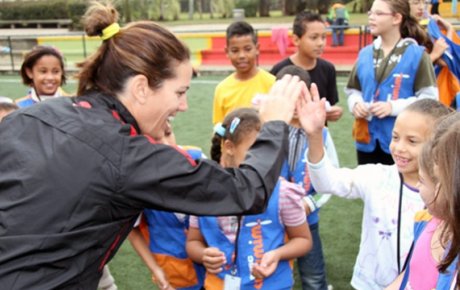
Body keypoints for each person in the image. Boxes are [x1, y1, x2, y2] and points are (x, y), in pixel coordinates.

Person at [0, 1, 309, 289]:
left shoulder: (30, 117)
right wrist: (274, 124)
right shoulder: (128, 156)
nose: (184, 105)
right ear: (141, 88)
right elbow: (246, 191)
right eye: (179, 92)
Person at [299, 96, 451, 289]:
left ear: (438, 146)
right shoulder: (376, 176)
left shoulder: (446, 196)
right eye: (395, 137)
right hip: (369, 284)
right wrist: (314, 136)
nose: (399, 148)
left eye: (412, 141)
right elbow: (326, 182)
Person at [186, 107, 312, 290]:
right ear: (229, 147)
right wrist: (203, 254)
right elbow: (192, 242)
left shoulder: (282, 192)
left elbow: (303, 240)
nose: (264, 159)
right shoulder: (203, 190)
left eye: (267, 151)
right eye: (255, 150)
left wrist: (277, 254)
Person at [346, 0, 438, 165]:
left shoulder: (417, 55)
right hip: (367, 142)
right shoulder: (365, 54)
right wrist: (356, 104)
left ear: (396, 18)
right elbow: (353, 91)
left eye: (379, 14)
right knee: (369, 188)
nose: (372, 18)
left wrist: (392, 108)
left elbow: (430, 100)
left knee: (400, 189)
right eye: (370, 13)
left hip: (404, 145)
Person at [276, 65, 339, 290]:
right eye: (287, 97)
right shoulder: (267, 130)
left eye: (299, 96)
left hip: (307, 221)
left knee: (313, 276)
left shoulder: (321, 132)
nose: (293, 104)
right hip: (274, 221)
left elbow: (331, 179)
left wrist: (309, 204)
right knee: (273, 273)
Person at [129, 123, 206, 290]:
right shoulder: (136, 181)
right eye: (154, 140)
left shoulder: (198, 159)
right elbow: (131, 229)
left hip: (212, 263)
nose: (166, 144)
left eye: (168, 133)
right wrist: (155, 269)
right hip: (175, 270)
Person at [384, 114, 457, 289]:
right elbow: (408, 275)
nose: (417, 185)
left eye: (422, 180)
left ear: (447, 189)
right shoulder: (425, 222)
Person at [270, 11, 343, 123]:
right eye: (314, 38)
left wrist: (333, 112)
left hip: (317, 136)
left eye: (323, 37)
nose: (320, 43)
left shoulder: (328, 69)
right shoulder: (278, 70)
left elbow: (329, 105)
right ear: (296, 40)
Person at [212, 21, 275, 125]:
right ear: (227, 52)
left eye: (247, 49)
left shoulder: (273, 84)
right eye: (235, 50)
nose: (241, 55)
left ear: (257, 49)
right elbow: (219, 128)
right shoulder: (222, 89)